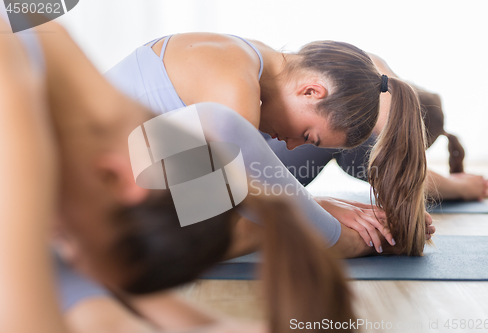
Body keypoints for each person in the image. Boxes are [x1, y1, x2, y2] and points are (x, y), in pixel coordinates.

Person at [0, 15, 359, 333]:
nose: (58, 241)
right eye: (68, 238)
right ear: (118, 181)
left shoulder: (41, 45)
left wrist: (209, 324)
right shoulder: (16, 90)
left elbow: (92, 270)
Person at [105, 32, 434, 256]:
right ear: (311, 91)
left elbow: (205, 207)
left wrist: (316, 207)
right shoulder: (234, 92)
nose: (292, 146)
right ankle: (344, 236)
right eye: (307, 136)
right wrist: (343, 233)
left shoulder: (243, 58)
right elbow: (213, 241)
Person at [265, 53, 488, 206]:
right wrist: (460, 187)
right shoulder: (347, 84)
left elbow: (398, 170)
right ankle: (458, 187)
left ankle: (458, 187)